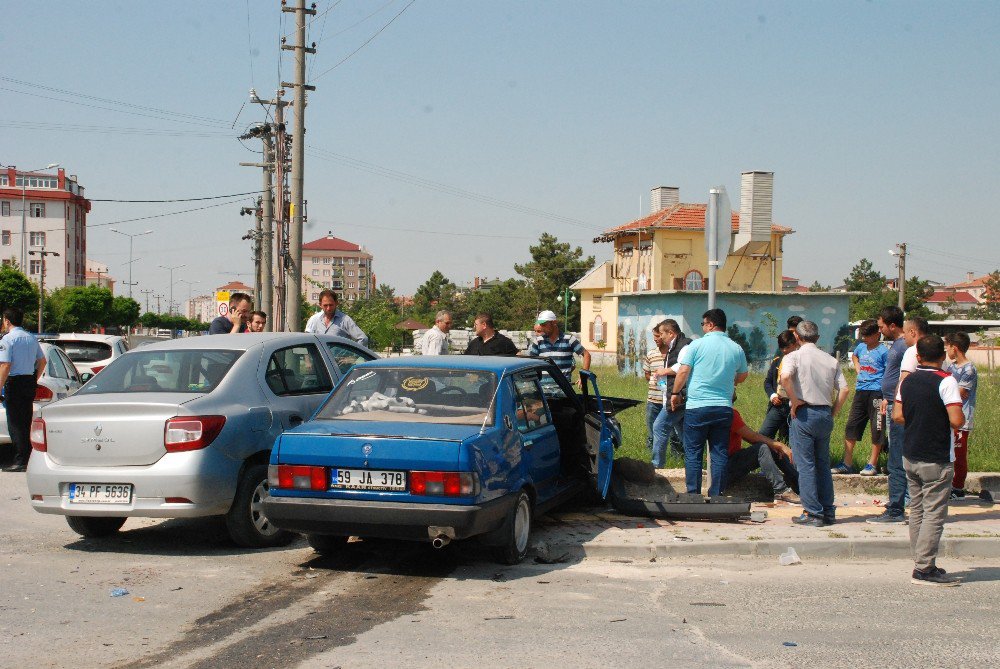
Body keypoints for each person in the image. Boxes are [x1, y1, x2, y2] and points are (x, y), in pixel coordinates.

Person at [892, 334, 965, 586]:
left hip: (911, 453)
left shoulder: (907, 381)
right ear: (943, 357)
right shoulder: (946, 381)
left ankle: (922, 560)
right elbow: (956, 420)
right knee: (934, 513)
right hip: (937, 455)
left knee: (918, 510)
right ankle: (924, 568)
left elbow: (898, 415)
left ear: (919, 357)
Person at [669, 309, 748, 496]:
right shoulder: (736, 347)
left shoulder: (696, 345)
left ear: (711, 324)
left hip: (698, 407)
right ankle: (717, 495)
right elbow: (743, 375)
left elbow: (682, 371)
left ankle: (693, 495)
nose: (703, 327)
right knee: (719, 453)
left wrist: (675, 393)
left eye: (704, 324)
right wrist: (731, 380)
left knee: (694, 453)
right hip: (723, 408)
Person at [780, 320, 849, 527]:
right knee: (822, 464)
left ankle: (812, 512)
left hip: (805, 412)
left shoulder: (793, 356)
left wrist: (794, 401)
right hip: (824, 413)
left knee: (806, 465)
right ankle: (827, 510)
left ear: (797, 338)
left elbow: (784, 378)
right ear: (817, 338)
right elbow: (844, 389)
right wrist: (833, 411)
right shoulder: (830, 360)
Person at [868, 306, 909, 522]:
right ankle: (898, 503)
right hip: (891, 402)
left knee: (896, 459)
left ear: (892, 325)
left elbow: (905, 377)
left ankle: (896, 509)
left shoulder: (905, 347)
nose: (880, 329)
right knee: (896, 456)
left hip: (898, 406)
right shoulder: (897, 345)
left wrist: (896, 401)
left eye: (882, 325)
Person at [835, 319, 888, 474]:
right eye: (862, 335)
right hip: (861, 391)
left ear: (877, 334)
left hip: (877, 392)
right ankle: (847, 462)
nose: (864, 338)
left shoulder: (884, 351)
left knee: (877, 428)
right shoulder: (860, 347)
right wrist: (858, 369)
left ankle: (872, 463)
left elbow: (889, 371)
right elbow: (855, 357)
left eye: (867, 336)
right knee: (852, 426)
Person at [0, 307, 46, 472]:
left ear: (7, 321)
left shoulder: (7, 340)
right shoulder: (31, 338)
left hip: (14, 382)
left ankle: (20, 460)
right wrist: (34, 379)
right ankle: (27, 458)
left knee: (15, 423)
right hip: (28, 381)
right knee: (26, 421)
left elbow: (5, 365)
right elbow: (42, 361)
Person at [723, 407, 799, 502]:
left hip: (730, 462)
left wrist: (774, 445)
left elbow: (748, 437)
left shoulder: (724, 412)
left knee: (771, 447)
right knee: (763, 448)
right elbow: (753, 437)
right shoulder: (728, 413)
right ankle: (781, 490)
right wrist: (780, 445)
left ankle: (799, 484)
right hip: (725, 468)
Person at [649, 320, 692, 467]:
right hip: (675, 396)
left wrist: (664, 371)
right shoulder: (673, 347)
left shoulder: (684, 346)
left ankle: (656, 466)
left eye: (662, 334)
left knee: (659, 426)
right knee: (684, 433)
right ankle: (693, 465)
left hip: (679, 397)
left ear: (671, 333)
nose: (660, 337)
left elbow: (683, 367)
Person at [943, 332, 977, 499]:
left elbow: (961, 392)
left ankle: (958, 487)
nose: (946, 350)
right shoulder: (951, 367)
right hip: (950, 416)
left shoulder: (969, 369)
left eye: (947, 347)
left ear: (954, 348)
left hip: (962, 418)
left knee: (959, 454)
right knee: (950, 452)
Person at [528, 310, 591, 384]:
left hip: (564, 390)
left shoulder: (569, 339)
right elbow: (531, 363)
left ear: (554, 322)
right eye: (541, 325)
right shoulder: (538, 341)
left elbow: (586, 355)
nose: (542, 328)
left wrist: (583, 376)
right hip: (544, 391)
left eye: (544, 325)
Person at [760, 330, 799, 443]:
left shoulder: (802, 360)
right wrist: (772, 396)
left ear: (795, 344)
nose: (784, 350)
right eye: (782, 348)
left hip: (795, 406)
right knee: (764, 434)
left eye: (787, 347)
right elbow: (767, 382)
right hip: (778, 404)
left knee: (789, 439)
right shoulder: (777, 361)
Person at [304, 289, 369, 346]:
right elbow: (309, 342)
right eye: (325, 305)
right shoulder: (316, 320)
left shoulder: (345, 320)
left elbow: (363, 338)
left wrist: (353, 355)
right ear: (320, 305)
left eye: (331, 305)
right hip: (321, 359)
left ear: (336, 303)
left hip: (339, 359)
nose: (328, 308)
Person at [641, 322, 668, 452]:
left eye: (658, 336)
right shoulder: (651, 354)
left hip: (668, 400)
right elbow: (647, 374)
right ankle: (650, 455)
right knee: (652, 429)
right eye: (654, 336)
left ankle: (677, 456)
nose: (655, 339)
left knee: (673, 431)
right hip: (653, 400)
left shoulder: (673, 354)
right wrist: (654, 379)